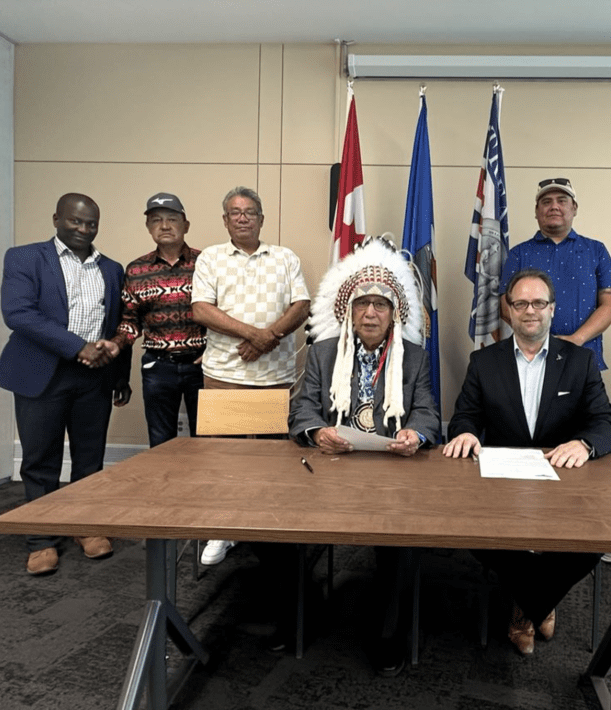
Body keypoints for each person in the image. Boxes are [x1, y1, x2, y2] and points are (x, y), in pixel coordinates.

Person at [443, 268, 611, 655]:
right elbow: (464, 417)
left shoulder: (579, 361)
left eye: (538, 303)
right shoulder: (484, 362)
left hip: (562, 484)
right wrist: (467, 432)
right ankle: (538, 605)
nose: (529, 311)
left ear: (552, 309)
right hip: (500, 485)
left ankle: (526, 606)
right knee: (484, 539)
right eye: (520, 303)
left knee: (589, 545)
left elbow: (607, 423)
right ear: (508, 309)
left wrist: (585, 444)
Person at [289, 236, 440, 676]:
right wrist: (317, 431)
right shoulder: (321, 353)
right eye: (362, 304)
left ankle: (388, 634)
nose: (370, 313)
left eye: (380, 305)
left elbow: (428, 411)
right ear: (349, 311)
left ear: (394, 313)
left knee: (401, 544)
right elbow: (302, 408)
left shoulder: (414, 358)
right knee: (280, 531)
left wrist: (417, 433)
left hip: (394, 472)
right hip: (331, 469)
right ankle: (304, 614)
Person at [0, 193, 131, 575]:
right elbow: (18, 313)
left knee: (90, 459)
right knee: (40, 460)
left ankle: (85, 528)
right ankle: (41, 539)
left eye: (91, 224)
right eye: (75, 221)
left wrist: (120, 375)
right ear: (56, 218)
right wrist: (77, 348)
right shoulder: (23, 258)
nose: (84, 230)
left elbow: (121, 323)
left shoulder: (112, 268)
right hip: (43, 373)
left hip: (95, 377)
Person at [191, 186, 310, 566]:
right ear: (225, 221)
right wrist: (252, 334)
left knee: (271, 460)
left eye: (250, 211)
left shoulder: (284, 257)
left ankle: (266, 526)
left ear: (261, 218)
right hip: (225, 375)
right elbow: (201, 310)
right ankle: (222, 528)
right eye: (234, 212)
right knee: (224, 459)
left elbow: (302, 305)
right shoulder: (210, 258)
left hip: (275, 378)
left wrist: (268, 337)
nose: (242, 217)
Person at [111, 193, 206, 447]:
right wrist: (117, 343)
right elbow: (130, 321)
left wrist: (216, 350)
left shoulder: (207, 263)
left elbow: (225, 312)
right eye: (156, 220)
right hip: (158, 368)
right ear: (148, 227)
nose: (164, 226)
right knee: (161, 442)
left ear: (185, 225)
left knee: (209, 440)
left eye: (172, 219)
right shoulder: (136, 269)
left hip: (203, 365)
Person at [499, 178, 611, 370]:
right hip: (531, 358)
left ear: (574, 208)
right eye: (546, 202)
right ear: (536, 212)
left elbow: (610, 305)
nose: (554, 206)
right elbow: (506, 305)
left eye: (562, 200)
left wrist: (575, 340)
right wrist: (543, 342)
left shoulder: (596, 250)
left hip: (584, 357)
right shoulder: (518, 254)